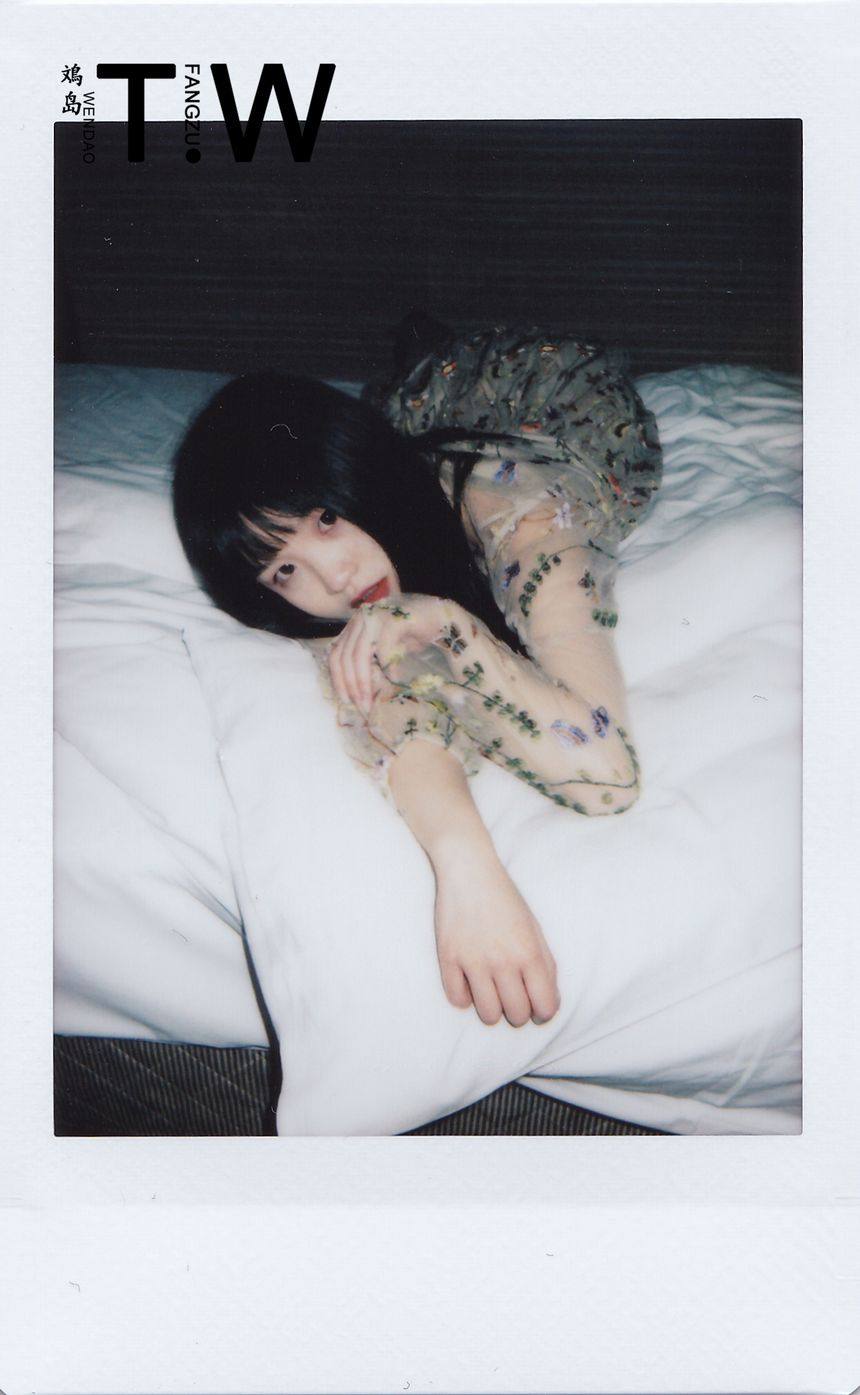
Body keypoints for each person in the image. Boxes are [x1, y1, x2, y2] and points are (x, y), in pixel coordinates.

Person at [173, 322, 663, 1033]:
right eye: (284, 569)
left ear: (355, 476)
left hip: (545, 400)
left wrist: (445, 625)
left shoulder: (524, 513)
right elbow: (396, 711)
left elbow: (606, 773)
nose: (334, 577)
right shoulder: (336, 605)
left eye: (327, 519)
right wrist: (464, 864)